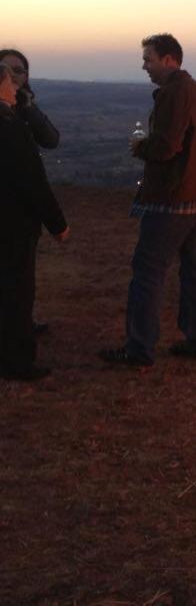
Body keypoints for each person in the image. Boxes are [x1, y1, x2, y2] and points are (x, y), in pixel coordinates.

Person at [101, 34, 196, 367]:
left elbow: (167, 146)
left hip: (174, 198)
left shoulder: (174, 94)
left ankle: (139, 348)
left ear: (170, 59)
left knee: (148, 271)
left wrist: (141, 146)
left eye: (148, 59)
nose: (144, 66)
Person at [0, 63, 70, 381]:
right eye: (8, 82)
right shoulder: (10, 127)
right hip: (13, 225)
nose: (15, 87)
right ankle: (17, 360)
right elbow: (32, 181)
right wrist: (57, 224)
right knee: (17, 290)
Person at [0, 49, 60, 151]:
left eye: (18, 70)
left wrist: (29, 108)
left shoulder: (25, 104)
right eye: (5, 70)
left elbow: (51, 141)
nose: (12, 75)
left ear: (25, 77)